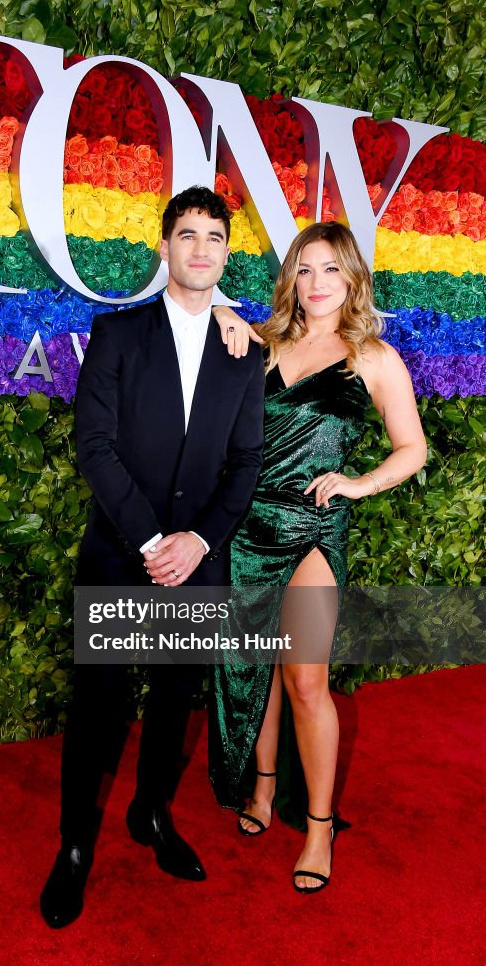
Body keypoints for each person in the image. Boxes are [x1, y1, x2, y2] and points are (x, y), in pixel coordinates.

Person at [40, 186, 265, 928]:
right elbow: (94, 447)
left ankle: (152, 815)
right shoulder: (118, 334)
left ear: (227, 254)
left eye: (215, 238)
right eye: (188, 235)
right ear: (163, 247)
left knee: (173, 706)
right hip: (117, 556)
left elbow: (245, 464)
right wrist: (149, 541)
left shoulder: (244, 353)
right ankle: (75, 847)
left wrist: (196, 542)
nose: (202, 249)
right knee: (99, 710)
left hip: (196, 565)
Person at [209, 221, 426, 893]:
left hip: (312, 528)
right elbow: (209, 318)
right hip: (248, 525)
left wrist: (358, 484)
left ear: (353, 278)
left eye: (331, 269)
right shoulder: (265, 344)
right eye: (305, 270)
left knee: (304, 677)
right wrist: (220, 307)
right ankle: (264, 788)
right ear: (290, 280)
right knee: (257, 670)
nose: (317, 284)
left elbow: (411, 448)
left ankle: (319, 827)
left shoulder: (375, 358)